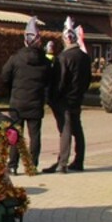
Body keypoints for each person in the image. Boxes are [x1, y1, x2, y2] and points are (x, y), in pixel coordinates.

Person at [0, 17, 51, 174]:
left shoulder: (15, 59)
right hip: (36, 103)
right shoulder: (45, 62)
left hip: (17, 103)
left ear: (25, 40)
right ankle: (32, 165)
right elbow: (49, 81)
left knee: (15, 134)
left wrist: (12, 90)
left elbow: (4, 77)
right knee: (35, 135)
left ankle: (13, 165)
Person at [43, 18, 92, 174]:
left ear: (65, 39)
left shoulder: (64, 58)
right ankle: (79, 160)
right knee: (77, 129)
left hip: (64, 100)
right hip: (77, 98)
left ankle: (62, 163)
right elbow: (88, 79)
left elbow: (60, 81)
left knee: (65, 130)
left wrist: (52, 98)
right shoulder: (85, 57)